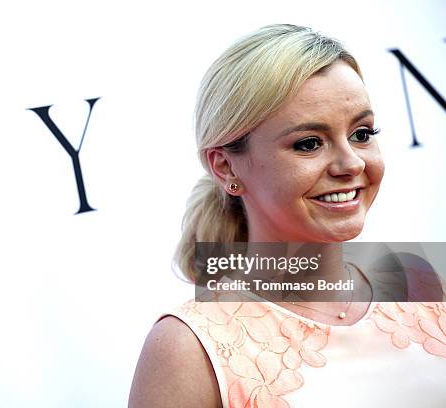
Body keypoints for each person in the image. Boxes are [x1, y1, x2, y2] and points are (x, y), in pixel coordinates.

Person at [128, 24, 446, 408]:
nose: (352, 162)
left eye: (362, 133)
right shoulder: (187, 348)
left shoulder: (427, 285)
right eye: (309, 143)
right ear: (227, 167)